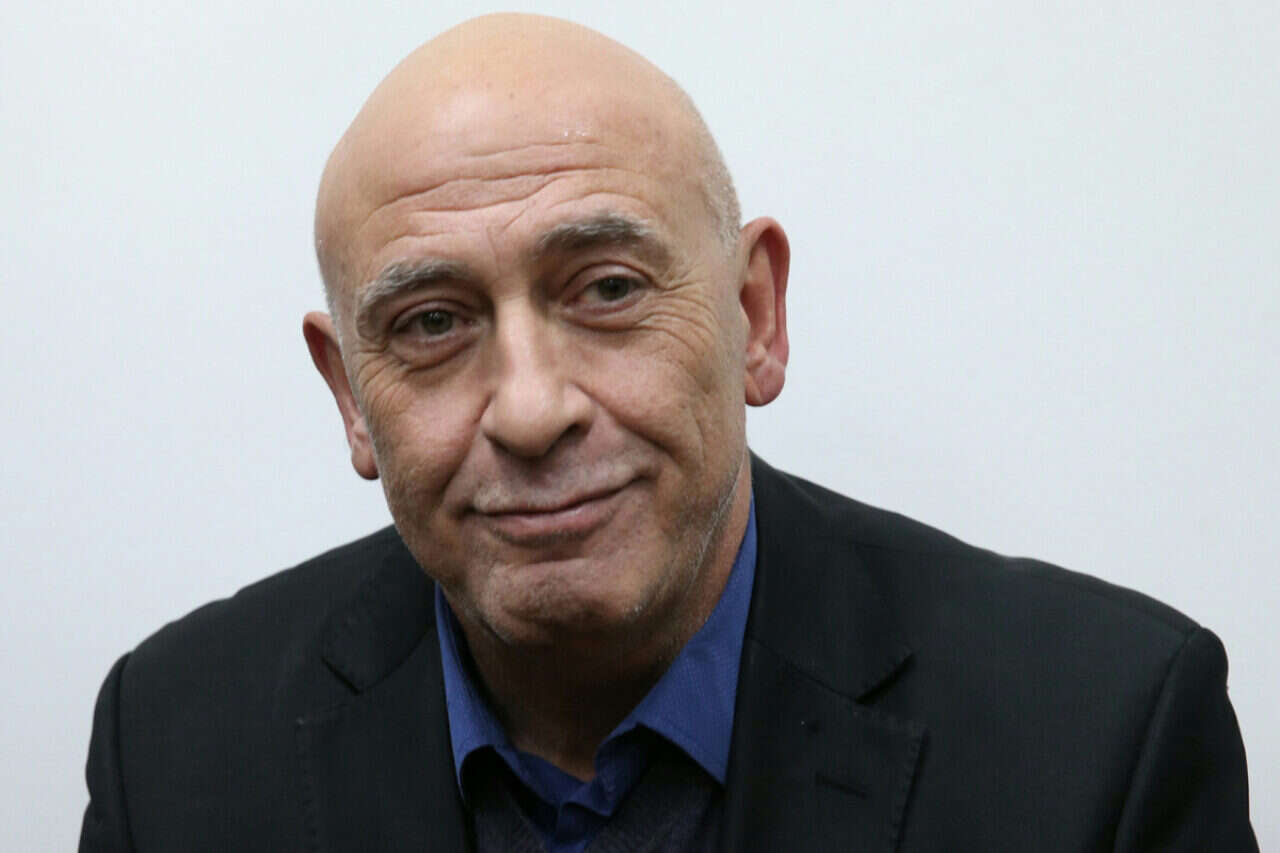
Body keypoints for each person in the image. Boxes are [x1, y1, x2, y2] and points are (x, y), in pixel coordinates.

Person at [79, 13, 1256, 852]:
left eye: (606, 290)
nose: (531, 409)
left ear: (753, 317)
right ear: (351, 396)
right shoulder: (173, 752)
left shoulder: (1099, 739)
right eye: (432, 322)